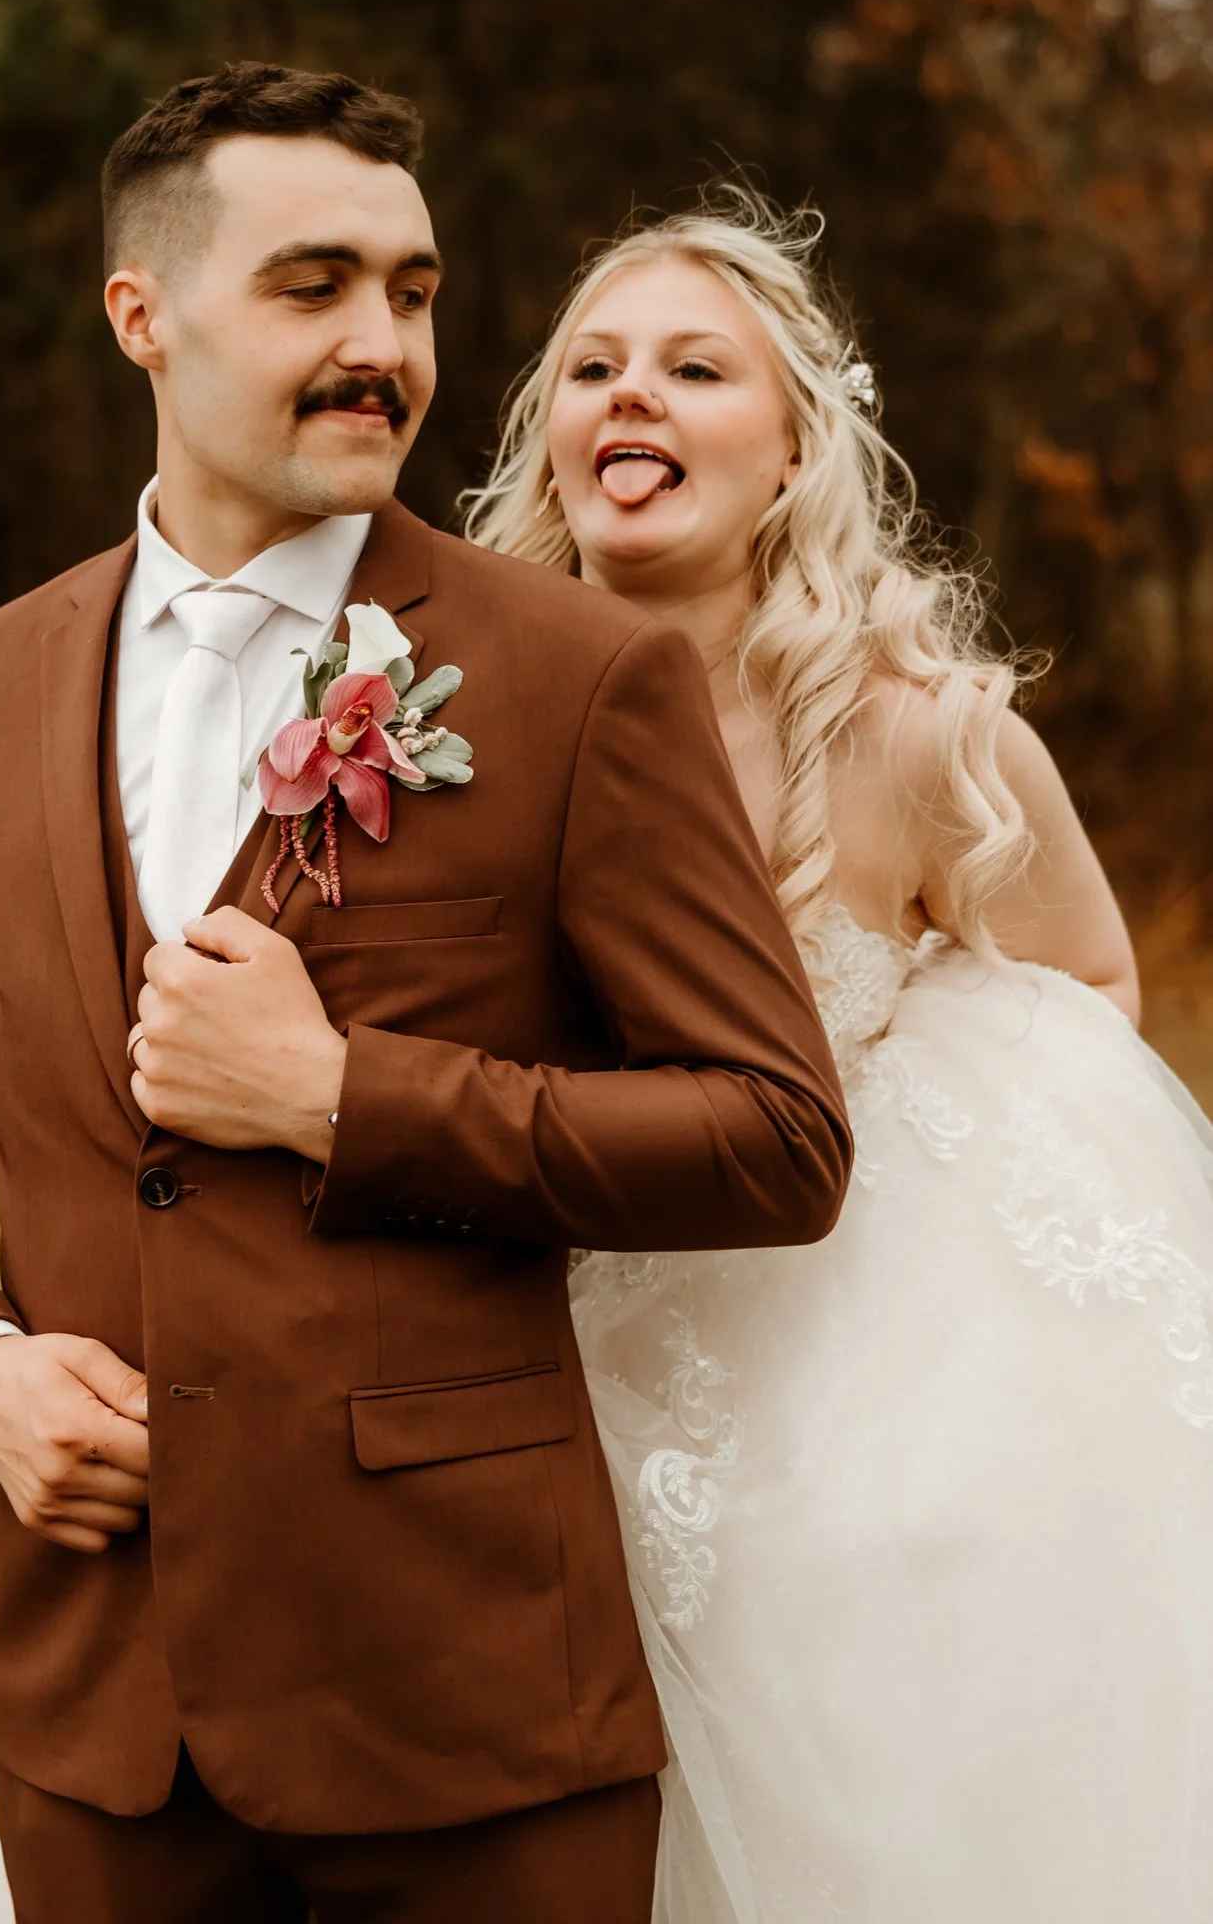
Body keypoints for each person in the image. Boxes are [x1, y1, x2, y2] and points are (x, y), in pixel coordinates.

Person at [0, 80, 850, 1924]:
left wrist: (339, 1096)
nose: (382, 345)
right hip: (99, 1727)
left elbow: (777, 1138)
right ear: (141, 314)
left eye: (413, 290)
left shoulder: (574, 676)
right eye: (315, 287)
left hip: (471, 1711)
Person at [463, 188, 1213, 1924]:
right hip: (530, 1310)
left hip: (825, 1336)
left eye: (694, 366)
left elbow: (1087, 976)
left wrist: (913, 1108)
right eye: (593, 367)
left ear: (795, 448)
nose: (630, 394)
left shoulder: (922, 733)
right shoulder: (452, 703)